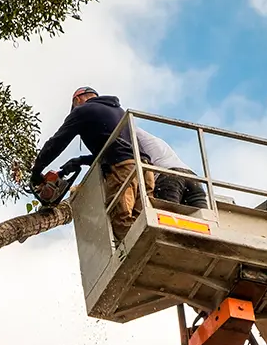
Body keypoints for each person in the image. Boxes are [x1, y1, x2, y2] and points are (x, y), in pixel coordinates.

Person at [29, 87, 153, 235]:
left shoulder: (82, 110)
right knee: (143, 224)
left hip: (123, 169)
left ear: (77, 100)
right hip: (145, 169)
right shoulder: (117, 110)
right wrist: (80, 160)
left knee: (122, 223)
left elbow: (56, 142)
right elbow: (116, 147)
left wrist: (36, 170)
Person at [133, 129, 210, 209]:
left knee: (168, 216)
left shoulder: (129, 131)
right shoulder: (151, 140)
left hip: (170, 176)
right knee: (201, 216)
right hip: (193, 178)